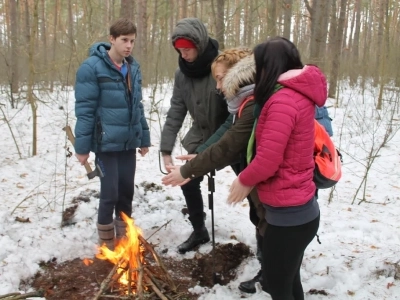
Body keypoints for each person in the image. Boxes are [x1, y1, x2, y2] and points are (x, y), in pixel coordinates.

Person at [228, 37, 327, 299]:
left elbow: (268, 160)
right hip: (298, 211)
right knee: (289, 280)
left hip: (290, 217)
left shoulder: (282, 101)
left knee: (278, 283)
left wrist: (244, 180)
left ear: (269, 66)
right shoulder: (296, 95)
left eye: (260, 65)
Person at [161, 49, 265, 293]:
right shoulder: (240, 101)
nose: (218, 86)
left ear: (237, 74)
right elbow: (226, 131)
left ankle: (271, 267)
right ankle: (269, 265)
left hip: (270, 174)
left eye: (220, 79)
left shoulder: (253, 103)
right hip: (229, 152)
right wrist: (199, 154)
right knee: (260, 210)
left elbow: (230, 142)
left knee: (264, 210)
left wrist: (188, 170)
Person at [74, 18, 150, 250]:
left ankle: (125, 240)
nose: (128, 46)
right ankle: (107, 245)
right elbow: (85, 110)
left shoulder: (133, 68)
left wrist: (144, 138)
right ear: (112, 40)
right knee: (110, 193)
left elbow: (137, 105)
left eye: (132, 41)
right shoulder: (91, 68)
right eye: (124, 40)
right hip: (106, 143)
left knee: (126, 192)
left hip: (128, 143)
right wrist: (82, 147)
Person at [160, 18, 229, 254]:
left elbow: (239, 113)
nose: (184, 54)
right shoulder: (182, 74)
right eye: (179, 50)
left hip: (231, 133)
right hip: (200, 134)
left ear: (199, 44)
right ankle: (199, 229)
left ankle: (264, 247)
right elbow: (176, 111)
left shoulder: (223, 65)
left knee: (253, 187)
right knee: (186, 178)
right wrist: (166, 149)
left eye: (187, 49)